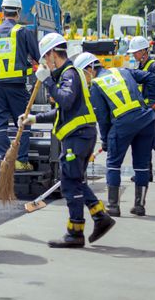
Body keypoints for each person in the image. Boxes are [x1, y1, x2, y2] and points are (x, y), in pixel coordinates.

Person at [22, 33, 114, 248]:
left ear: (54, 53)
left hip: (78, 137)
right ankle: (100, 216)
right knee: (76, 180)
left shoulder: (70, 75)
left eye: (46, 57)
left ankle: (75, 233)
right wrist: (34, 119)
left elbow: (64, 99)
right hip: (80, 136)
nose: (45, 62)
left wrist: (46, 81)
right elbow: (62, 111)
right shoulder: (66, 75)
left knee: (70, 183)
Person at [73, 52, 155, 217]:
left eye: (83, 74)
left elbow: (103, 118)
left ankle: (113, 206)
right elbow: (150, 77)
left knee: (113, 164)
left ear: (90, 68)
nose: (85, 79)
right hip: (146, 120)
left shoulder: (97, 85)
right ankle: (139, 206)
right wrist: (151, 103)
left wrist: (105, 140)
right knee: (141, 165)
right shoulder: (122, 70)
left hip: (123, 123)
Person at [0, 0, 40, 171]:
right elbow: (37, 56)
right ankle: (21, 160)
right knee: (22, 122)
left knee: (0, 124)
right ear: (18, 12)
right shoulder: (23, 32)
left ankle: (4, 159)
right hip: (17, 87)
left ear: (2, 11)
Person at [127, 35, 155, 182]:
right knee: (143, 142)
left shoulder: (154, 67)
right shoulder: (140, 67)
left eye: (136, 52)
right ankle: (147, 172)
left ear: (144, 51)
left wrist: (148, 105)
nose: (133, 54)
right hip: (142, 110)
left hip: (153, 110)